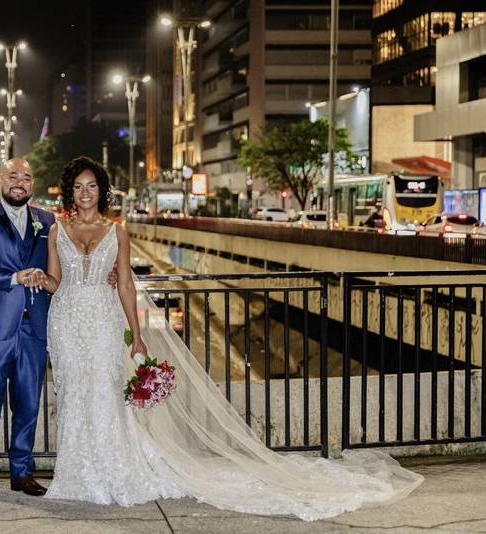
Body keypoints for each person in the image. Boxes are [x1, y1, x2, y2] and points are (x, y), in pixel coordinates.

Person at [32, 156, 423, 521]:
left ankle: (110, 471)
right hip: (66, 321)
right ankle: (76, 473)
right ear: (70, 192)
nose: (86, 193)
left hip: (102, 320)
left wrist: (136, 336)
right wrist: (37, 278)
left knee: (104, 391)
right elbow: (56, 282)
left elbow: (128, 287)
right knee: (74, 393)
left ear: (102, 190)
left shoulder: (117, 231)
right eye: (79, 187)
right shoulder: (56, 231)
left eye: (92, 186)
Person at [0, 158, 117, 503]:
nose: (20, 182)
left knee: (28, 405)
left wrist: (108, 274)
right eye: (13, 176)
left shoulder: (48, 221)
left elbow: (70, 265)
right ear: (0, 180)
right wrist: (12, 277)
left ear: (32, 185)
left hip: (34, 329)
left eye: (26, 177)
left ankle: (22, 472)